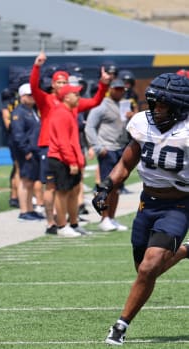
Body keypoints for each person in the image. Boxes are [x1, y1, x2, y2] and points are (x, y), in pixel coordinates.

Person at [92, 73, 189, 345]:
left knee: (149, 268)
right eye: (154, 104)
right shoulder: (142, 125)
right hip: (147, 204)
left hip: (179, 205)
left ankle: (120, 326)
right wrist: (105, 187)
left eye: (163, 106)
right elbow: (126, 164)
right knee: (143, 270)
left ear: (179, 107)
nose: (156, 111)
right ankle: (183, 252)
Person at [29, 51, 110, 235]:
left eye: (65, 82)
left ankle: (70, 222)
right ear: (53, 84)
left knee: (72, 187)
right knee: (52, 187)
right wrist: (37, 66)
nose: (62, 85)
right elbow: (33, 87)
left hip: (67, 148)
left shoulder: (72, 103)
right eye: (59, 82)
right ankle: (53, 222)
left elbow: (95, 101)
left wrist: (103, 85)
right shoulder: (48, 100)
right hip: (50, 146)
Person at [85, 79, 131, 232]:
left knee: (117, 187)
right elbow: (89, 126)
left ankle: (111, 218)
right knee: (107, 187)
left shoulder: (124, 105)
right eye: (117, 89)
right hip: (108, 148)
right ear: (110, 89)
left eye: (122, 89)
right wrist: (97, 147)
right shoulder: (102, 106)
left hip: (121, 148)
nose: (120, 91)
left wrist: (131, 116)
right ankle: (104, 218)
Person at [47, 84, 87, 237]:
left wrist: (78, 160)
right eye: (75, 94)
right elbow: (63, 141)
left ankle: (74, 224)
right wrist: (71, 161)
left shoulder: (69, 112)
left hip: (69, 159)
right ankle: (62, 226)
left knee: (73, 192)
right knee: (62, 192)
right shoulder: (61, 114)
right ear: (66, 97)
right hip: (60, 159)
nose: (78, 97)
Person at [9, 83, 43, 221]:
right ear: (22, 96)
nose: (32, 97)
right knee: (25, 180)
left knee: (30, 181)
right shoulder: (19, 113)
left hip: (33, 150)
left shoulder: (31, 110)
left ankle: (30, 208)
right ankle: (24, 211)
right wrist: (26, 150)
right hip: (26, 151)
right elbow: (18, 134)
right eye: (29, 95)